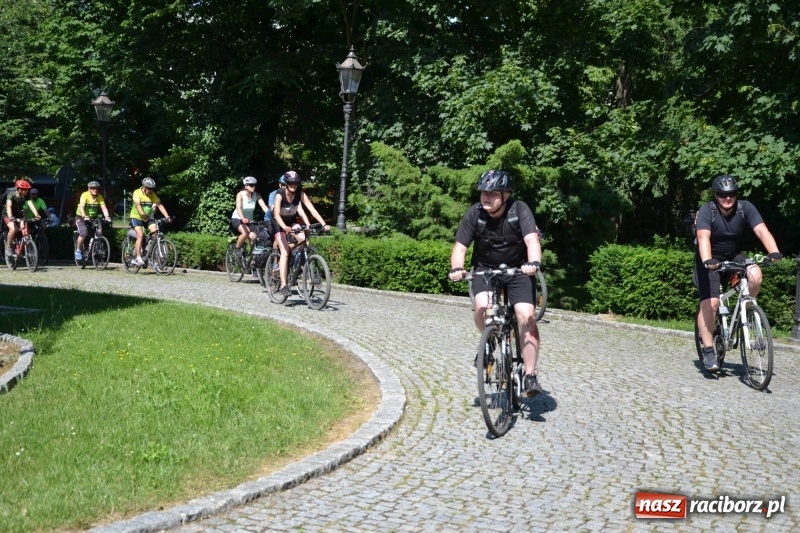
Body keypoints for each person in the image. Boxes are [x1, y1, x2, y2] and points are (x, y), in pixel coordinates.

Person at [447, 170, 544, 396]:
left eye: (492, 193)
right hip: (486, 270)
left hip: (518, 270)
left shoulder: (520, 210)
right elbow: (460, 248)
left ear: (506, 195)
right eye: (484, 192)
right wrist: (457, 268)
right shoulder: (475, 214)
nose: (486, 197)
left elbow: (532, 240)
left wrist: (533, 263)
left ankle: (530, 376)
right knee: (482, 307)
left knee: (527, 316)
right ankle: (489, 339)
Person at [695, 174, 782, 372]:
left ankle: (747, 312)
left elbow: (762, 230)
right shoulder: (708, 210)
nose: (728, 198)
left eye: (732, 194)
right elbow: (703, 237)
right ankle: (708, 350)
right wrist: (708, 260)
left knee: (755, 274)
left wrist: (774, 252)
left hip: (733, 255)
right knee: (711, 303)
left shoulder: (745, 208)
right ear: (716, 195)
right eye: (723, 195)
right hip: (709, 259)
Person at [272, 170, 331, 297]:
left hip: (291, 221)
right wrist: (284, 227)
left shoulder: (300, 194)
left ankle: (295, 263)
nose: (293, 185)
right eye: (290, 183)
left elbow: (312, 210)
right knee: (285, 252)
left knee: (303, 238)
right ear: (286, 183)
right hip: (278, 223)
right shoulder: (279, 194)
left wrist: (323, 224)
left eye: (295, 183)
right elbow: (276, 214)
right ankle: (283, 285)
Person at [129, 177, 172, 266]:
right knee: (140, 235)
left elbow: (159, 205)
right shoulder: (137, 192)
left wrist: (167, 216)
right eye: (149, 189)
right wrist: (142, 214)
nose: (151, 191)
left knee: (155, 233)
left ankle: (149, 254)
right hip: (136, 217)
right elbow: (138, 205)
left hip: (147, 218)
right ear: (144, 187)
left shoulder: (152, 194)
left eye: (152, 189)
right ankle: (138, 257)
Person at [230, 176, 269, 254]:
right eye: (251, 185)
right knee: (246, 232)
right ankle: (237, 249)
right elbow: (238, 208)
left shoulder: (256, 195)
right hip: (238, 218)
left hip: (249, 221)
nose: (253, 187)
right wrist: (242, 218)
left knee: (254, 237)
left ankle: (252, 258)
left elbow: (264, 207)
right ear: (246, 186)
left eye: (254, 185)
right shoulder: (240, 194)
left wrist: (271, 215)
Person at [74, 181, 111, 260]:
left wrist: (107, 217)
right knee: (83, 233)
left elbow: (104, 208)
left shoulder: (99, 196)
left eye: (96, 189)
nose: (95, 190)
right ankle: (78, 250)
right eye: (93, 188)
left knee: (99, 230)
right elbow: (82, 207)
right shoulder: (85, 195)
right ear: (89, 189)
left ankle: (96, 248)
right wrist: (84, 216)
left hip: (93, 217)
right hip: (81, 217)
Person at [4, 179, 39, 259]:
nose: (27, 191)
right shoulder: (10, 195)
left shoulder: (26, 196)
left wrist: (37, 215)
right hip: (7, 214)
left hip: (18, 213)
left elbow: (31, 205)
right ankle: (8, 247)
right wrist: (10, 217)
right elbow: (9, 206)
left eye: (27, 189)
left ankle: (25, 248)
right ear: (19, 189)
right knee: (13, 229)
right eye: (25, 189)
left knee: (24, 229)